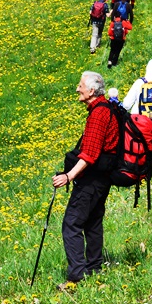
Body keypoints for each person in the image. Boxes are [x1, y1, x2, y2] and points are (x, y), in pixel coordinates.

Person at [52, 71, 119, 289]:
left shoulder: (99, 114)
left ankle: (77, 277)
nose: (77, 88)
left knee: (71, 224)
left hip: (92, 180)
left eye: (80, 85)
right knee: (92, 223)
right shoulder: (105, 108)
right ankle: (94, 268)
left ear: (91, 90)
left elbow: (89, 154)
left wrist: (68, 176)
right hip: (102, 179)